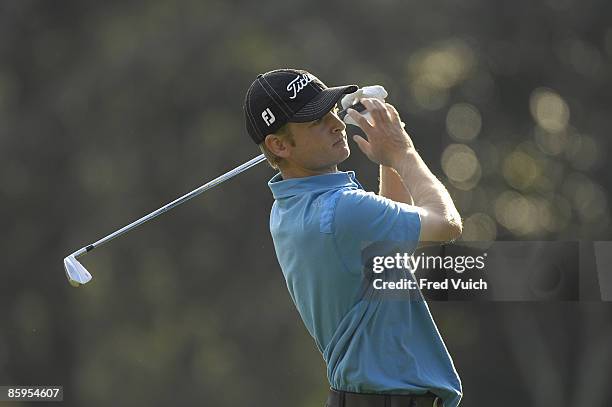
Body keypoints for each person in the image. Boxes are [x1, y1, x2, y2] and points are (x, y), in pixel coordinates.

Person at [244, 69, 463, 407]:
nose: (338, 123)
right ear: (279, 144)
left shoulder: (290, 208)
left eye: (332, 110)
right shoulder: (341, 210)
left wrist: (387, 160)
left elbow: (385, 237)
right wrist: (402, 151)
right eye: (316, 120)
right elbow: (446, 224)